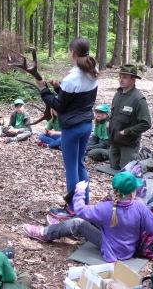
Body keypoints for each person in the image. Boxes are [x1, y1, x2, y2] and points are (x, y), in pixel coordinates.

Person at [23, 172, 153, 263]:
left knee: (78, 223)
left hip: (110, 249)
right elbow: (151, 228)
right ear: (133, 192)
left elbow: (80, 210)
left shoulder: (106, 208)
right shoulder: (140, 207)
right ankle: (59, 227)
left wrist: (80, 190)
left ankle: (44, 233)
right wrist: (143, 209)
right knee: (92, 215)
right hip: (128, 250)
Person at [35, 38, 99, 219]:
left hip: (72, 128)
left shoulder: (72, 78)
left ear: (72, 52)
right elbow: (74, 99)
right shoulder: (93, 71)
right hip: (87, 124)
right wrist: (58, 87)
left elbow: (60, 106)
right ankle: (84, 202)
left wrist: (44, 90)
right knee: (80, 164)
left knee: (71, 167)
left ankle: (72, 207)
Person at [108, 65, 152, 170]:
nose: (121, 80)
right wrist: (109, 124)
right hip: (115, 140)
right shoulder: (118, 94)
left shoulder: (138, 99)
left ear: (133, 79)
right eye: (120, 77)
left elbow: (146, 124)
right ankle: (138, 157)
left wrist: (126, 132)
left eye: (125, 77)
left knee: (128, 170)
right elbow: (114, 114)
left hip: (128, 142)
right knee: (114, 166)